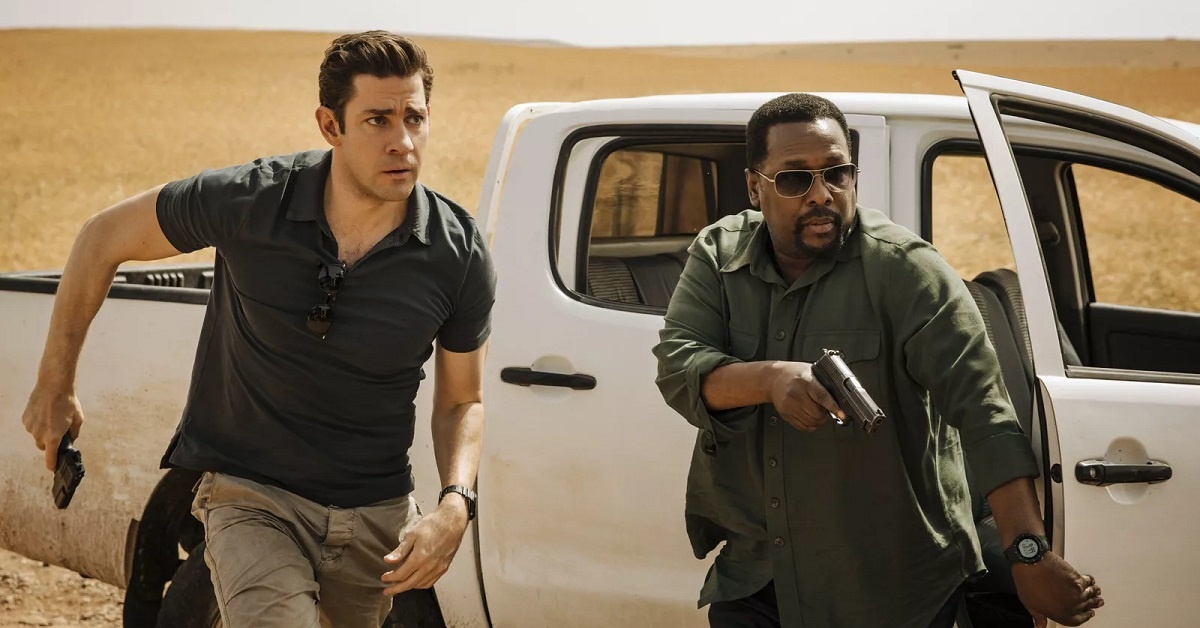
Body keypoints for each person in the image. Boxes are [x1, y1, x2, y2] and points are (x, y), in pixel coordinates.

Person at [20, 30, 495, 628]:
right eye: (377, 120)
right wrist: (54, 384)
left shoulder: (457, 252)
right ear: (330, 125)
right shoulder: (250, 201)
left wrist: (456, 501)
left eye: (414, 118)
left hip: (375, 516)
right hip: (253, 497)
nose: (402, 140)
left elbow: (461, 400)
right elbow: (101, 238)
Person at [652, 93, 1104, 628]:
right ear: (755, 187)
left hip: (886, 592)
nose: (822, 194)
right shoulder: (719, 254)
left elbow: (986, 414)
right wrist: (770, 379)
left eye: (837, 173)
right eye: (795, 179)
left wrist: (1029, 555)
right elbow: (678, 366)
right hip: (757, 577)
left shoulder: (906, 270)